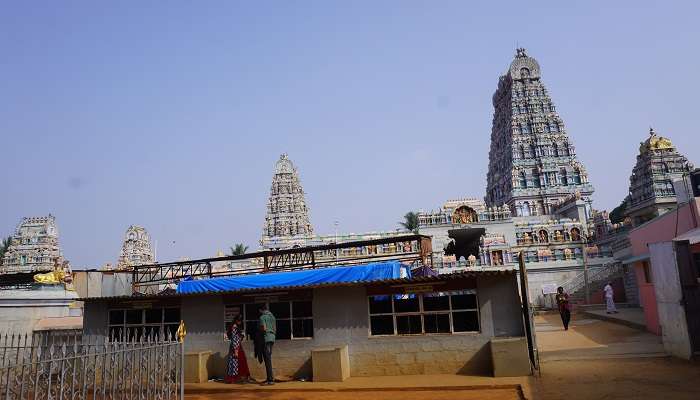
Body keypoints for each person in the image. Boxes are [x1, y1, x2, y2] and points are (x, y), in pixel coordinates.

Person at [224, 315, 250, 384]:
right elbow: (235, 339)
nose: (240, 322)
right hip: (236, 347)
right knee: (237, 362)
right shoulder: (234, 327)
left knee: (235, 363)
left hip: (236, 346)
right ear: (236, 320)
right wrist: (236, 351)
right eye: (239, 320)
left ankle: (237, 378)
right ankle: (236, 379)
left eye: (240, 320)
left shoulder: (234, 327)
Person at [259, 304, 276, 385]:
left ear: (261, 310)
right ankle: (270, 378)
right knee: (269, 358)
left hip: (266, 338)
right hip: (272, 338)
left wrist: (260, 331)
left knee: (267, 360)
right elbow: (275, 329)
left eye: (260, 311)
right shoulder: (272, 317)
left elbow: (263, 328)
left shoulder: (262, 317)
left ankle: (270, 380)